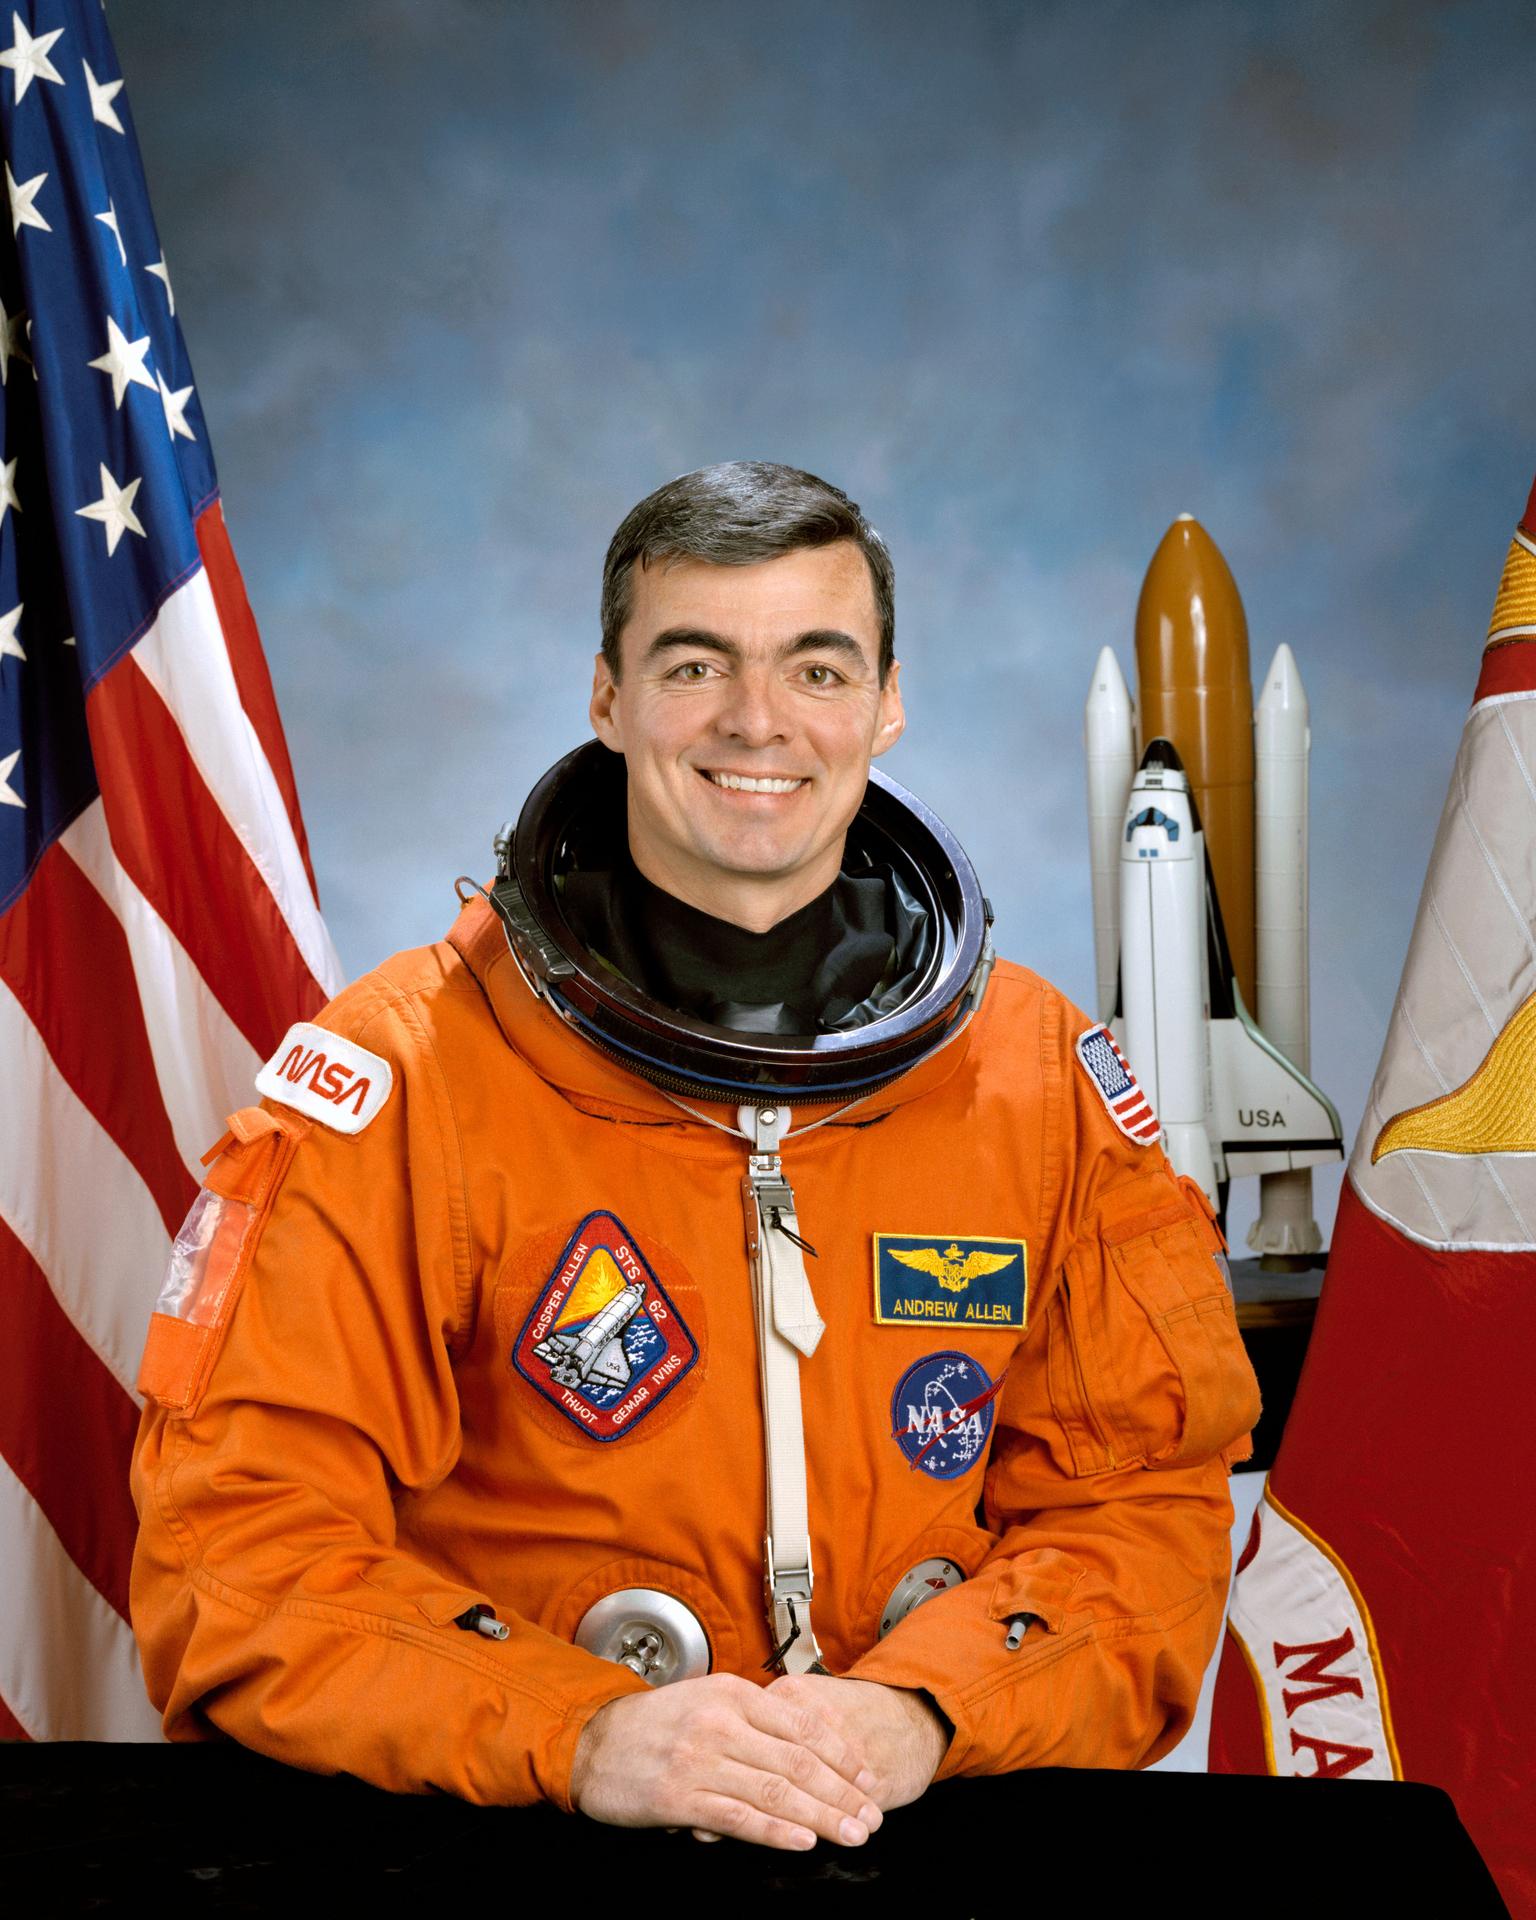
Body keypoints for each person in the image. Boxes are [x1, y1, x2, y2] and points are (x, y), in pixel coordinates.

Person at [131, 461, 1261, 1853]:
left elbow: (1141, 1506)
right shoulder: (410, 1076)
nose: (758, 722)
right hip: (530, 1831)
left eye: (819, 668)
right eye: (694, 663)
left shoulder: (1036, 1078)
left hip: (911, 1821)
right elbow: (234, 1554)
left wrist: (917, 1708)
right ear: (605, 695)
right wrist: (580, 1727)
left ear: (888, 701)